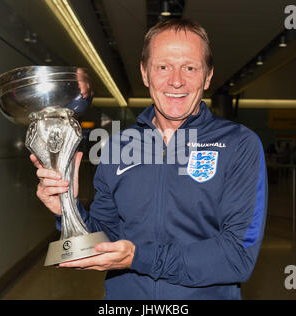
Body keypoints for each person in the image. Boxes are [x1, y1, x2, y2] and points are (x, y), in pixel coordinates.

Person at [31, 18, 268, 300]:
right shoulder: (119, 145)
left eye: (190, 67)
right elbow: (104, 238)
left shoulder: (239, 144)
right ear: (145, 73)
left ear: (207, 76)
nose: (176, 80)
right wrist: (67, 208)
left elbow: (237, 257)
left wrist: (138, 257)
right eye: (163, 66)